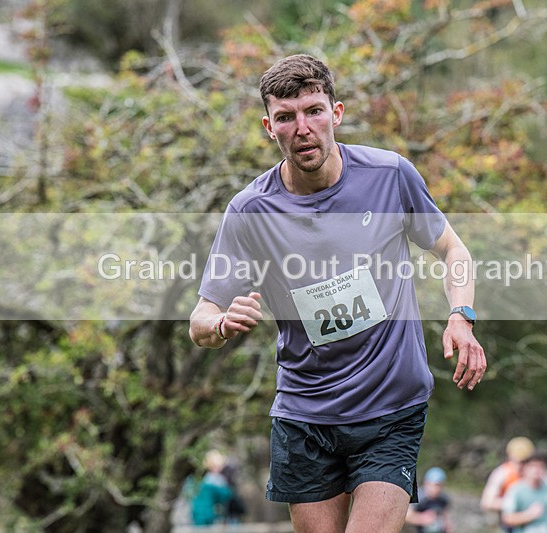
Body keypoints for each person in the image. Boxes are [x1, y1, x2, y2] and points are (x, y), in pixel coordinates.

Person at [189, 54, 487, 533]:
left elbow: (453, 249)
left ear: (337, 113)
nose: (302, 128)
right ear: (270, 127)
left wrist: (461, 316)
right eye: (286, 117)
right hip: (305, 415)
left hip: (392, 406)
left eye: (314, 111)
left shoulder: (389, 176)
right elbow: (199, 319)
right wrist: (221, 325)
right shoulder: (250, 210)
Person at [481, 436, 537, 531]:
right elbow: (486, 502)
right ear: (510, 456)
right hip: (508, 526)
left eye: (526, 462)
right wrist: (514, 503)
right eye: (520, 462)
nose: (522, 466)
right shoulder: (502, 473)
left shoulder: (537, 473)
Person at [501, 454, 547, 533]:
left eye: (541, 466)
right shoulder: (515, 490)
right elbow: (507, 518)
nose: (537, 470)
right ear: (525, 468)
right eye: (533, 466)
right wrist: (528, 515)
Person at [187, 450, 234, 526]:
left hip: (204, 514)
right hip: (208, 514)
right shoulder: (213, 479)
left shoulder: (206, 479)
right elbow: (226, 495)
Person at [405, 467, 452, 533]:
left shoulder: (443, 499)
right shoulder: (419, 497)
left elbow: (445, 515)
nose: (438, 489)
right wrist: (422, 519)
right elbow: (407, 516)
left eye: (441, 485)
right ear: (426, 483)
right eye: (436, 485)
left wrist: (447, 525)